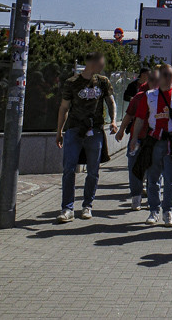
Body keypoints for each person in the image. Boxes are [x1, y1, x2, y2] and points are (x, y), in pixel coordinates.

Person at [130, 64, 172, 227]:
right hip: (154, 141)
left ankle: (167, 211)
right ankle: (154, 211)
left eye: (170, 74)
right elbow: (139, 119)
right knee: (153, 179)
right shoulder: (149, 95)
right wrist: (134, 138)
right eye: (165, 74)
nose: (168, 77)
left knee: (170, 179)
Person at [56, 52, 116, 222]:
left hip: (95, 130)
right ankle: (67, 208)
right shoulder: (72, 82)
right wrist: (59, 131)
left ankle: (87, 205)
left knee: (93, 171)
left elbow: (110, 102)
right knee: (69, 169)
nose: (102, 65)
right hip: (74, 130)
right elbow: (64, 107)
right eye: (100, 62)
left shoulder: (103, 82)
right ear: (91, 62)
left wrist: (113, 120)